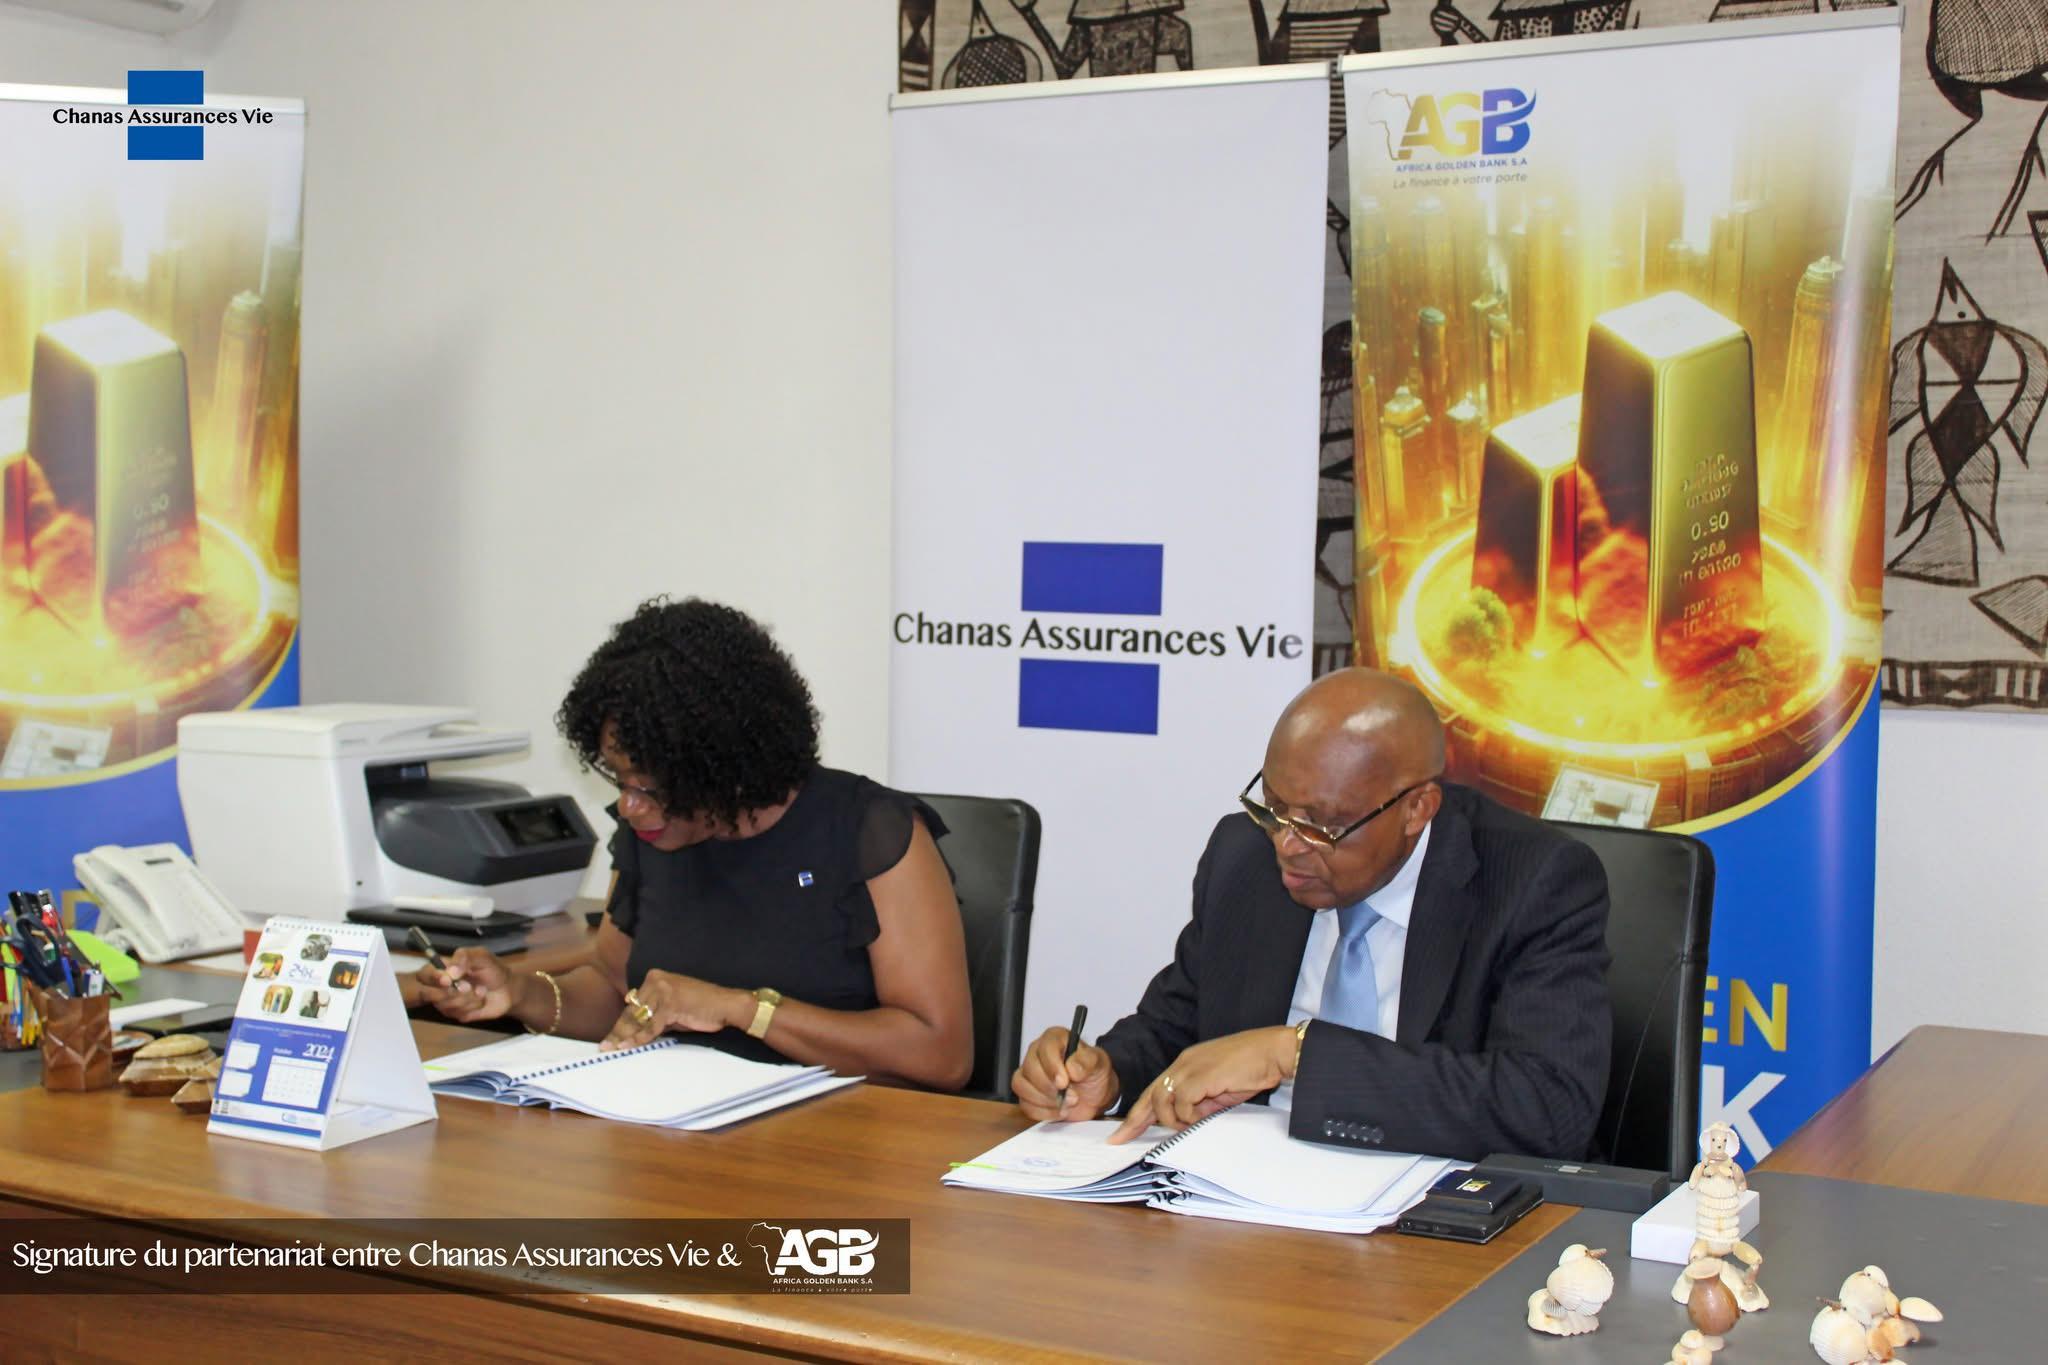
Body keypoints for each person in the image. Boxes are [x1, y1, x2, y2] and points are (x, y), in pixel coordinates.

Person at [1012, 668, 1611, 1159]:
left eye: (1323, 825)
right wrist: (1108, 1075)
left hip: (1431, 1218)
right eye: (1273, 808)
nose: (1287, 844)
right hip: (1241, 1199)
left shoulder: (1532, 881)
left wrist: (1293, 1052)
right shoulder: (1244, 857)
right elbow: (1179, 1024)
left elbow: (1547, 1107)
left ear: (1417, 809)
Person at [416, 597, 974, 1091]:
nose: (629, 807)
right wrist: (520, 993)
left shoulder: (869, 832)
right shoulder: (649, 834)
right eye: (618, 779)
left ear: (725, 769)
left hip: (838, 1140)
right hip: (678, 1130)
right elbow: (614, 988)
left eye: (651, 788)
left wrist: (742, 1010)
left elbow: (941, 1055)